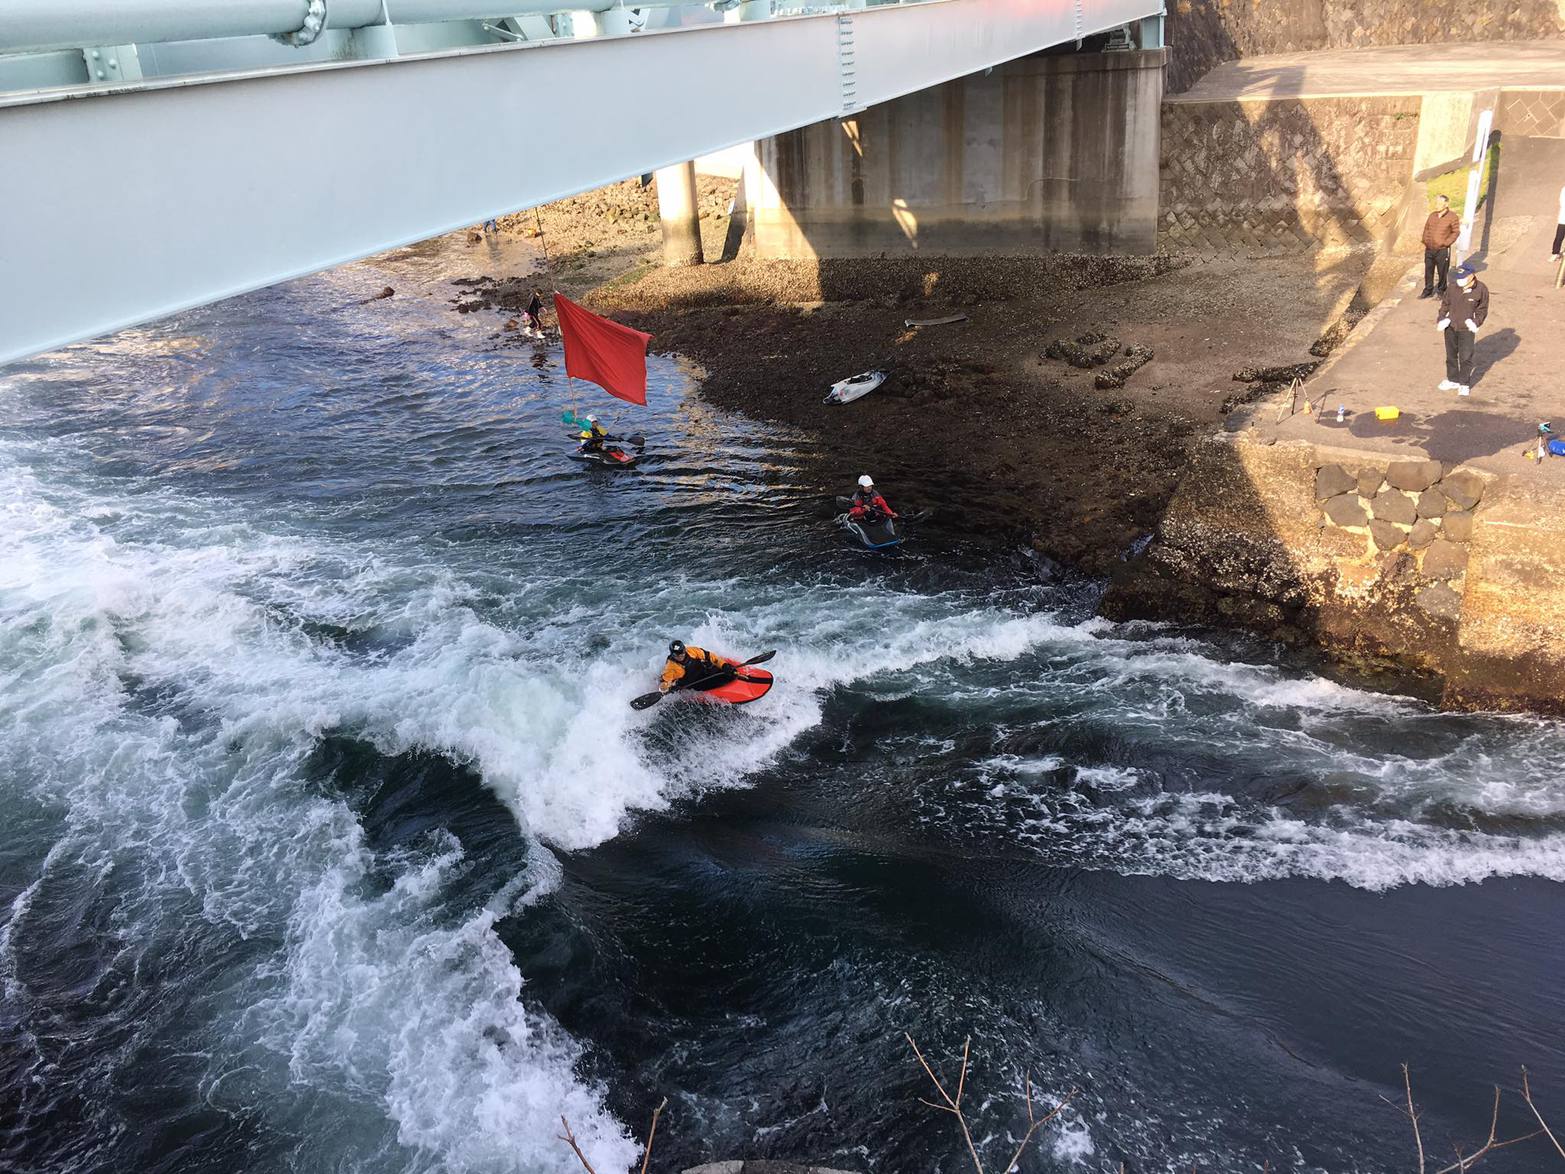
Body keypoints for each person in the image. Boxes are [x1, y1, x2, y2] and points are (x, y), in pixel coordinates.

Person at [1436, 263, 1489, 397]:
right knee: (1451, 355)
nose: (1460, 280)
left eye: (1463, 277)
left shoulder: (1481, 289)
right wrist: (1442, 319)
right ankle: (1452, 379)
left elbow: (1482, 310)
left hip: (1467, 328)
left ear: (1471, 276)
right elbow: (1445, 305)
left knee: (1465, 357)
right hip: (1451, 326)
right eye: (1459, 277)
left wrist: (1475, 323)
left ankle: (1464, 383)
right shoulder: (1452, 287)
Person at [1420, 193, 1460, 299]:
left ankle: (1442, 290)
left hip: (1442, 249)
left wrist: (1446, 243)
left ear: (1446, 204)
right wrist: (1425, 240)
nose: (1436, 205)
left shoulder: (1452, 217)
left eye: (1439, 203)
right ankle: (1428, 290)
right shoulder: (1432, 215)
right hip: (1429, 248)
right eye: (1436, 203)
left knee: (1442, 271)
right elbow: (1426, 229)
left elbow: (1455, 232)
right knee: (1428, 270)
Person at [659, 640, 738, 694]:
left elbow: (710, 656)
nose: (680, 656)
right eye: (677, 655)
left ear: (684, 650)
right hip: (694, 683)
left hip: (703, 672)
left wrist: (723, 665)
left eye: (682, 653)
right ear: (672, 654)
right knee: (722, 681)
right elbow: (665, 682)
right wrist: (667, 688)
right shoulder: (670, 668)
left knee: (730, 672)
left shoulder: (692, 651)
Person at [1552, 182, 1565, 262]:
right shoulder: (1564, 189)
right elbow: (1562, 202)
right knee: (1559, 237)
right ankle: (1555, 253)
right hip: (1563, 219)